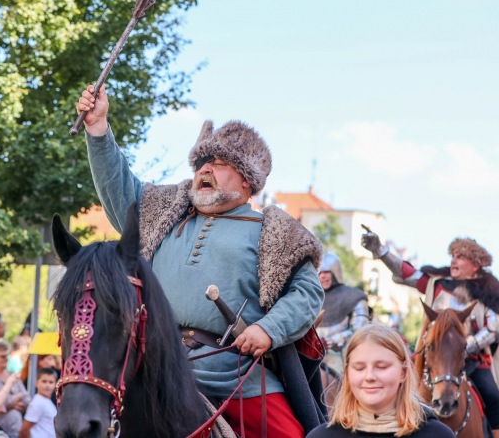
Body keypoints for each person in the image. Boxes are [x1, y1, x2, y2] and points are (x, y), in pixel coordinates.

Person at [76, 85, 326, 437]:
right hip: (155, 372)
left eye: (219, 163)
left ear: (246, 181)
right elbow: (118, 185)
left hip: (237, 378)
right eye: (201, 163)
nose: (205, 169)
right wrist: (98, 127)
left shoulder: (276, 231)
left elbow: (307, 295)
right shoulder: (162, 212)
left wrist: (267, 330)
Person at [362, 232, 499, 438]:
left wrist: (465, 345)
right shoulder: (438, 284)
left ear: (475, 264)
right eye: (453, 256)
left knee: (492, 395)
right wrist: (380, 250)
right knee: (395, 380)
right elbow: (407, 273)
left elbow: (495, 328)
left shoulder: (488, 292)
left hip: (471, 359)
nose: (453, 261)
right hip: (432, 355)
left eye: (460, 257)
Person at [306, 323, 454, 437]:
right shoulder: (321, 436)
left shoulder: (438, 435)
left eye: (382, 367)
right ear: (348, 374)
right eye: (359, 368)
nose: (369, 376)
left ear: (403, 373)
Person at [316, 252, 370, 375]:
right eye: (320, 272)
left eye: (327, 272)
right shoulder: (310, 298)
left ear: (335, 272)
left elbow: (361, 329)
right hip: (311, 354)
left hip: (341, 354)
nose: (323, 276)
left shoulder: (353, 295)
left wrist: (332, 340)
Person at [0, 340, 30, 438]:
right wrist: (16, 398)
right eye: (2, 356)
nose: (6, 359)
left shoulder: (12, 375)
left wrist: (9, 404)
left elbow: (27, 399)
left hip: (17, 430)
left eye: (7, 355)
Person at [19, 367, 57, 438]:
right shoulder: (38, 403)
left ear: (55, 384)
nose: (47, 385)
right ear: (36, 383)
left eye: (51, 382)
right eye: (44, 381)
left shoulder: (48, 402)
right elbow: (24, 429)